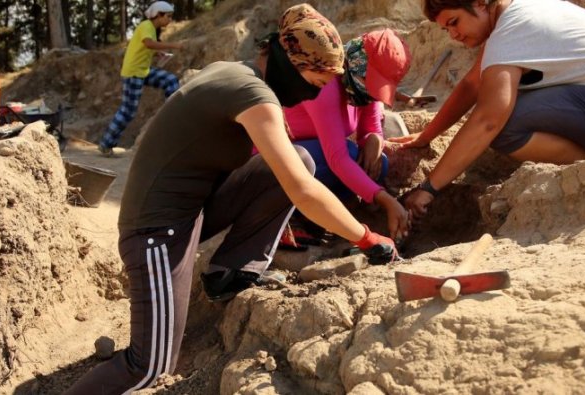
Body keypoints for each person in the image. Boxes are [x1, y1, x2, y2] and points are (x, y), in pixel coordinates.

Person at [64, 4, 397, 394]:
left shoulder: (240, 74)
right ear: (291, 61)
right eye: (316, 80)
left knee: (300, 159)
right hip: (154, 229)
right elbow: (302, 190)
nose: (317, 91)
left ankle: (229, 274)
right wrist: (366, 237)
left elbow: (283, 168)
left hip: (191, 211)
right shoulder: (253, 95)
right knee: (150, 366)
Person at [390, 0, 585, 220]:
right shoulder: (515, 15)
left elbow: (488, 120)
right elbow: (472, 85)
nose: (453, 35)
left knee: (505, 122)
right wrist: (426, 136)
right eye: (445, 29)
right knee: (502, 102)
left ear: (479, 3)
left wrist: (428, 189)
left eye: (454, 22)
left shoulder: (512, 29)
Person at [283, 29, 412, 243]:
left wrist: (374, 139)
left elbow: (371, 126)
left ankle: (321, 214)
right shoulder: (325, 84)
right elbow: (337, 158)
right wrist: (388, 201)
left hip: (317, 158)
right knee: (351, 156)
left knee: (379, 164)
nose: (372, 91)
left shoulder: (361, 89)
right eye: (370, 81)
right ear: (356, 62)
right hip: (276, 163)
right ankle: (293, 216)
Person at [98, 1, 183, 157]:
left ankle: (172, 112)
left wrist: (158, 54)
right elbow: (148, 44)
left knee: (170, 80)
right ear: (159, 15)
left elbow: (145, 47)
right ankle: (106, 145)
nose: (170, 20)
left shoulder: (151, 29)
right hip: (133, 73)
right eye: (168, 16)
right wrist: (174, 45)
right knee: (127, 111)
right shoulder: (146, 26)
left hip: (143, 71)